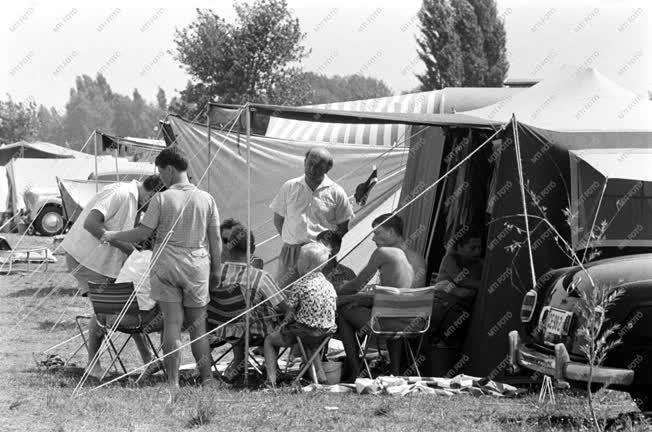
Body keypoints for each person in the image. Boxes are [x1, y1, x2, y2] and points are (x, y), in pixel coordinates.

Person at [102, 147, 222, 388]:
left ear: (169, 169)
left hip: (166, 265)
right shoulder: (207, 199)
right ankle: (208, 379)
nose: (161, 178)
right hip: (196, 266)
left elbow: (143, 232)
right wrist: (216, 271)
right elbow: (215, 239)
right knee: (198, 327)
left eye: (161, 172)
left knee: (172, 325)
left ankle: (173, 382)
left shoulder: (161, 198)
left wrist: (113, 234)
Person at [60, 175, 165, 379]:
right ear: (153, 193)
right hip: (87, 260)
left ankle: (148, 360)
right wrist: (132, 251)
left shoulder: (135, 202)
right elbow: (91, 223)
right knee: (106, 309)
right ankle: (93, 364)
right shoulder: (121, 193)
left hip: (102, 263)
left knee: (126, 305)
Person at [336, 213, 427, 380]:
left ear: (391, 232)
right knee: (390, 312)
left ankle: (356, 372)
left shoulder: (383, 252)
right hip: (416, 323)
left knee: (342, 310)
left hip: (388, 322)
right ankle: (395, 372)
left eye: (377, 232)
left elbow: (357, 284)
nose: (373, 238)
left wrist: (337, 294)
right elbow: (401, 293)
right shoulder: (418, 257)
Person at [207, 225, 285, 382]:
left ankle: (238, 362)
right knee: (274, 317)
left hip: (219, 331)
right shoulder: (260, 276)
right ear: (253, 249)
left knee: (242, 315)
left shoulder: (212, 274)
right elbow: (284, 307)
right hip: (253, 334)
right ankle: (273, 368)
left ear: (227, 247)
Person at [270, 147, 354, 289]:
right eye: (310, 163)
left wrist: (326, 248)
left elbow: (343, 227)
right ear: (304, 162)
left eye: (318, 166)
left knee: (318, 294)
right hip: (292, 252)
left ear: (328, 168)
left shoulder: (337, 192)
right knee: (284, 295)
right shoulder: (290, 186)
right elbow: (278, 219)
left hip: (320, 255)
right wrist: (290, 240)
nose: (312, 169)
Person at [264, 242, 337, 387]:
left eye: (299, 260)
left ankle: (271, 379)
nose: (296, 263)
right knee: (310, 342)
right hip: (325, 332)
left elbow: (289, 314)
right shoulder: (329, 285)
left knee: (269, 340)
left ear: (307, 265)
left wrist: (281, 325)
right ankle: (321, 377)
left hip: (304, 331)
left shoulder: (300, 284)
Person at [429, 226, 483, 345]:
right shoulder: (450, 258)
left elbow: (469, 292)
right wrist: (460, 290)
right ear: (459, 247)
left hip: (460, 314)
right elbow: (463, 281)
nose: (477, 251)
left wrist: (455, 290)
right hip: (441, 311)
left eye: (479, 247)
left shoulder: (478, 264)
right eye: (473, 248)